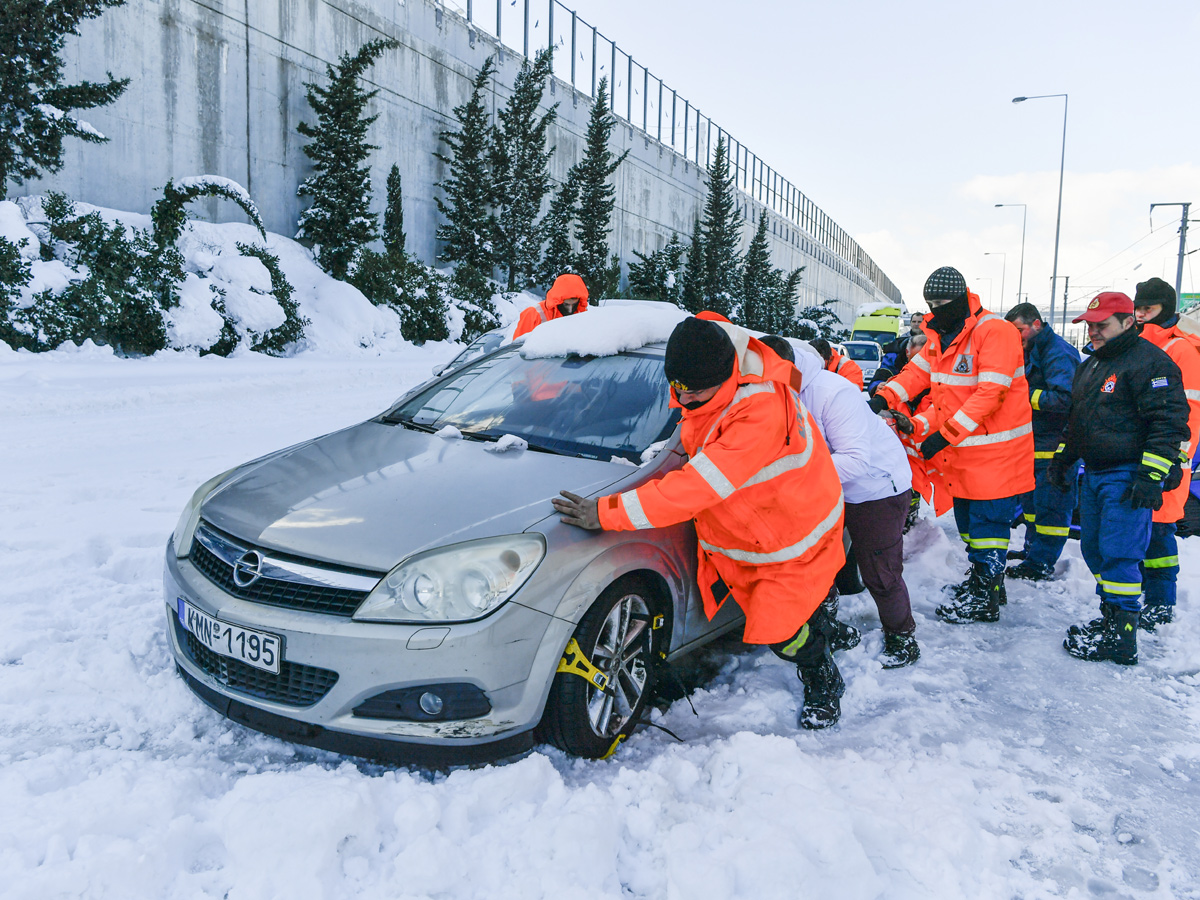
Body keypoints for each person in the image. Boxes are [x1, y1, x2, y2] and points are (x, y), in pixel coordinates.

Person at [552, 316, 848, 727]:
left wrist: (605, 512)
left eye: (696, 392)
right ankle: (821, 625)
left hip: (791, 534)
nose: (684, 400)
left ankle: (821, 669)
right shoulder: (720, 359)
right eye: (677, 388)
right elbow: (705, 325)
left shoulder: (757, 414)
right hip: (772, 518)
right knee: (794, 608)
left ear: (727, 375)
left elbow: (694, 488)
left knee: (780, 631)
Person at [870, 266, 1034, 624]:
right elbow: (917, 375)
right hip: (963, 453)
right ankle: (985, 583)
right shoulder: (941, 336)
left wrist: (943, 435)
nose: (935, 309)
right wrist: (884, 397)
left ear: (961, 299)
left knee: (988, 527)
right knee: (970, 526)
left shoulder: (995, 332)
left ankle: (985, 596)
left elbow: (991, 392)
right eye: (929, 303)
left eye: (941, 302)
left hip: (995, 453)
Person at [763, 334, 920, 667]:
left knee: (879, 570)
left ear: (786, 368)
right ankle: (828, 626)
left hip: (875, 488)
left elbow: (855, 459)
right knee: (819, 562)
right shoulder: (773, 388)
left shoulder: (831, 393)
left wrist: (791, 471)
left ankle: (902, 636)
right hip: (825, 486)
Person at [1052, 292, 1189, 664]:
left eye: (1102, 325)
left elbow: (1169, 422)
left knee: (1120, 554)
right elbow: (1078, 420)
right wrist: (1065, 458)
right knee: (1095, 549)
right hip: (1096, 472)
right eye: (1090, 325)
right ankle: (1111, 617)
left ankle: (1122, 637)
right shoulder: (1093, 364)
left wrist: (1151, 475)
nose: (1093, 332)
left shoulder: (1150, 363)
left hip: (1128, 475)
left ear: (1129, 323)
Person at [1132, 277, 1200, 629]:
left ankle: (1161, 603)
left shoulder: (1181, 351)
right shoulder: (1140, 345)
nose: (1142, 315)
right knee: (1143, 532)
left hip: (1165, 461)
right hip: (1142, 457)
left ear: (1167, 309)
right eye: (1138, 308)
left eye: (1149, 309)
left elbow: (1187, 413)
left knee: (1159, 534)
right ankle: (1148, 596)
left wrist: (1171, 460)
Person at [1003, 303, 1081, 581]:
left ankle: (1042, 562)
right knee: (1034, 507)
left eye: (1019, 330)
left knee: (1051, 508)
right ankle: (1033, 553)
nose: (1017, 337)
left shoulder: (1058, 352)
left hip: (1054, 445)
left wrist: (1023, 394)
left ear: (1036, 324)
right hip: (1033, 443)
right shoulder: (1033, 349)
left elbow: (1064, 399)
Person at [513, 273, 589, 339]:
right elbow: (516, 349)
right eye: (566, 305)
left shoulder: (582, 315)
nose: (570, 310)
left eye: (574, 305)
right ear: (558, 301)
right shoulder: (533, 314)